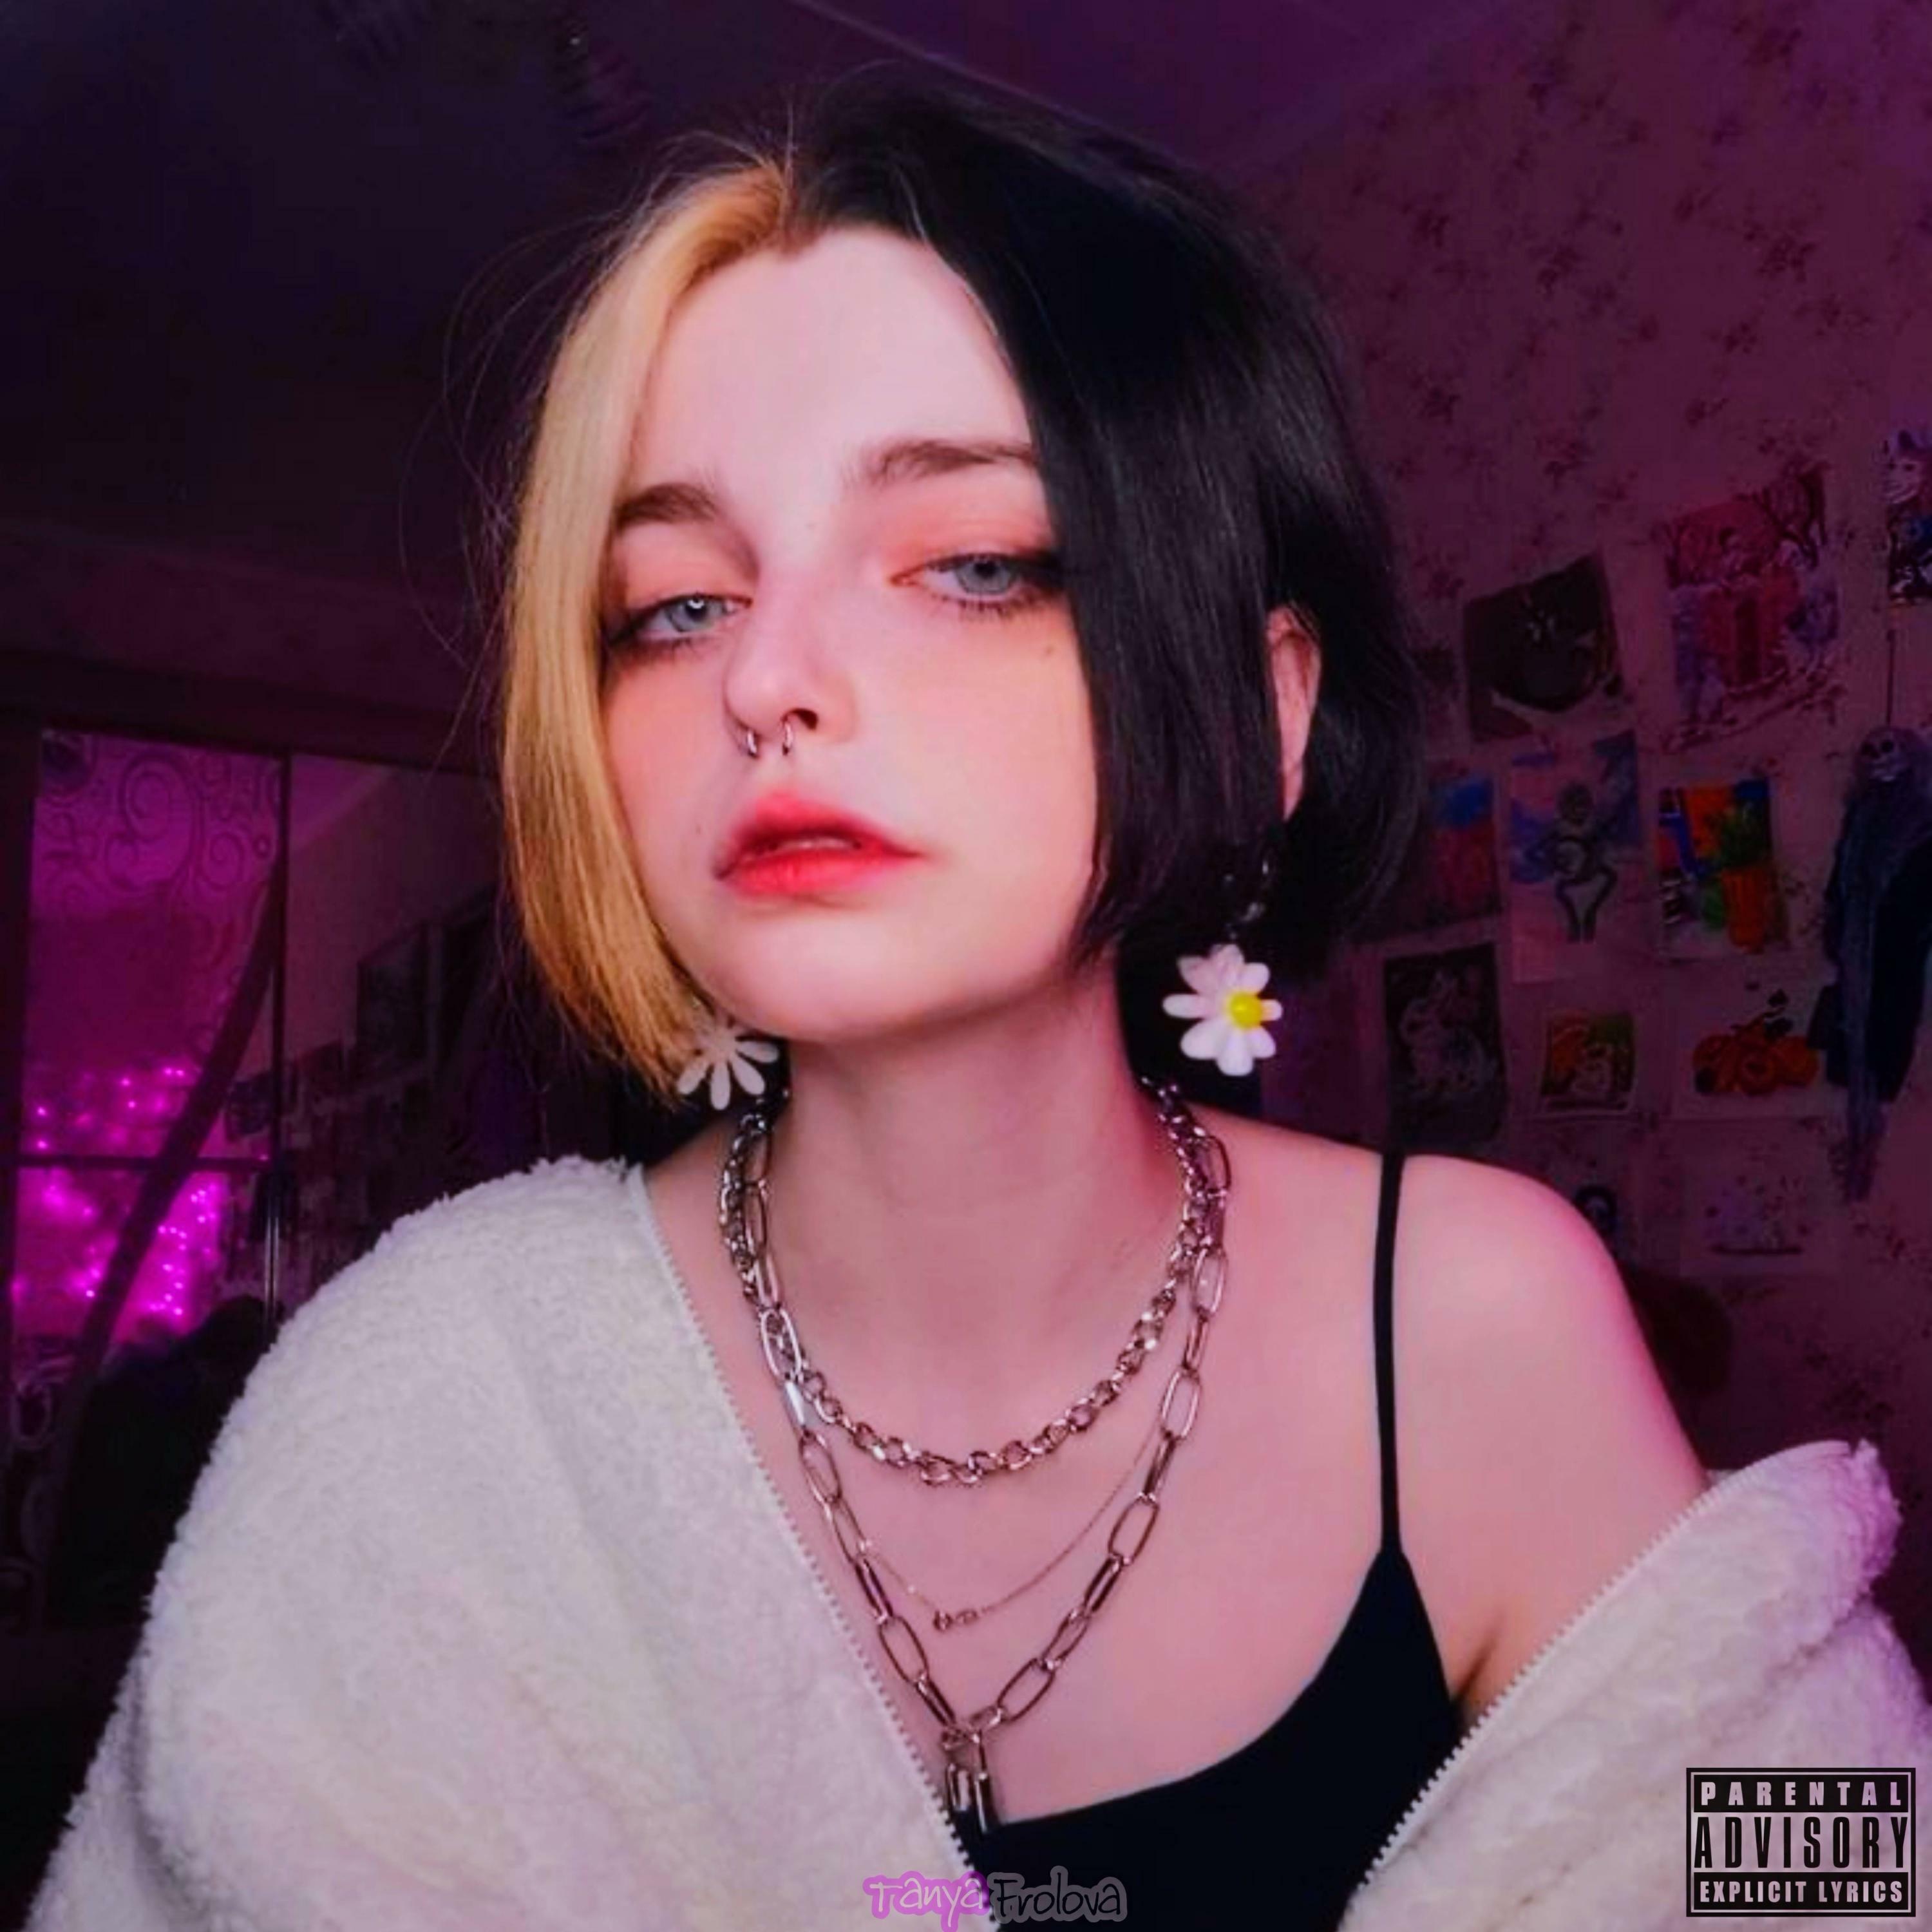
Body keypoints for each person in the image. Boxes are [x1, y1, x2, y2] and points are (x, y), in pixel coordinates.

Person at [28, 71, 1929, 1932]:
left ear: (1258, 709)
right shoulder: (433, 1397)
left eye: (972, 565)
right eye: (675, 604)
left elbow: (1837, 1865)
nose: (765, 678)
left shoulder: (1481, 1316)